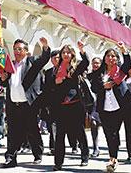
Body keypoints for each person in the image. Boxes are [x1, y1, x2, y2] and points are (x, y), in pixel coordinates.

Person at [0, 37, 50, 168]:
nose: (16, 51)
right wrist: (3, 78)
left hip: (28, 104)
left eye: (19, 49)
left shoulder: (32, 62)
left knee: (31, 130)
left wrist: (45, 47)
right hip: (13, 104)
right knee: (12, 132)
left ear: (26, 51)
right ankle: (10, 158)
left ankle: (37, 154)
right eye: (15, 49)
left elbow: (44, 59)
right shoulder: (10, 65)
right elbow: (5, 83)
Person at [90, 42, 131, 173]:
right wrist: (104, 86)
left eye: (113, 56)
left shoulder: (120, 70)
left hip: (120, 106)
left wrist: (124, 50)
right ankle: (112, 157)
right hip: (104, 107)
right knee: (109, 133)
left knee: (114, 132)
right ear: (105, 58)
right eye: (108, 56)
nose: (111, 58)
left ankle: (114, 156)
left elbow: (128, 64)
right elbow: (93, 87)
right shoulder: (99, 72)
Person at [51, 41, 90, 171]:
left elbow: (85, 63)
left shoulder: (75, 66)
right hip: (61, 107)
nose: (66, 54)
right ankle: (58, 162)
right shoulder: (57, 68)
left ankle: (85, 155)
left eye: (68, 52)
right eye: (63, 52)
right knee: (60, 135)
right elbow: (52, 87)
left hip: (74, 105)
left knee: (79, 132)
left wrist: (82, 50)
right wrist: (56, 81)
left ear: (72, 54)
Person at [41, 50, 60, 155]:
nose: (55, 60)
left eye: (57, 57)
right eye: (53, 58)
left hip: (64, 102)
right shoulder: (48, 72)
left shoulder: (65, 70)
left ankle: (74, 145)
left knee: (68, 126)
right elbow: (46, 88)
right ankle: (53, 147)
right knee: (52, 125)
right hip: (51, 103)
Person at [87, 57, 102, 158]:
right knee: (93, 124)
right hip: (92, 104)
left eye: (97, 63)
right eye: (93, 63)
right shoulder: (89, 76)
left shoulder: (104, 75)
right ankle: (95, 148)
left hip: (104, 102)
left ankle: (113, 146)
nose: (95, 65)